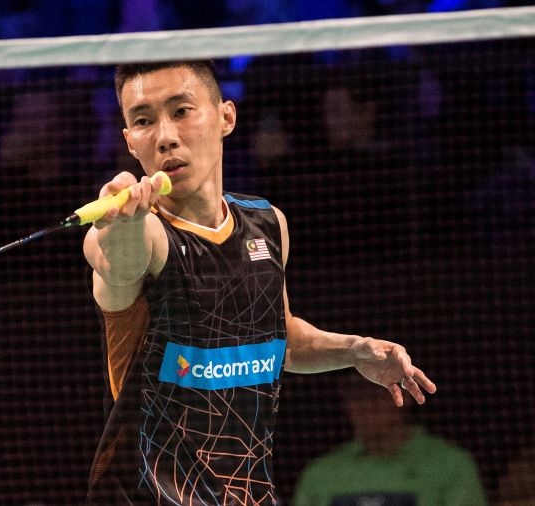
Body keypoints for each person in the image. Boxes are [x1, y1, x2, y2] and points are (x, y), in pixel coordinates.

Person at [82, 60, 437, 505]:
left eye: (181, 111)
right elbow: (118, 261)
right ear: (130, 142)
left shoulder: (267, 225)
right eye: (143, 121)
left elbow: (278, 338)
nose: (165, 135)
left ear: (226, 117)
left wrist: (352, 349)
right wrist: (123, 223)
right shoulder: (139, 235)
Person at [293, 371, 486, 506]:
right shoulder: (320, 474)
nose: (366, 405)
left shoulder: (451, 464)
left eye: (376, 393)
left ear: (406, 396)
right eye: (356, 394)